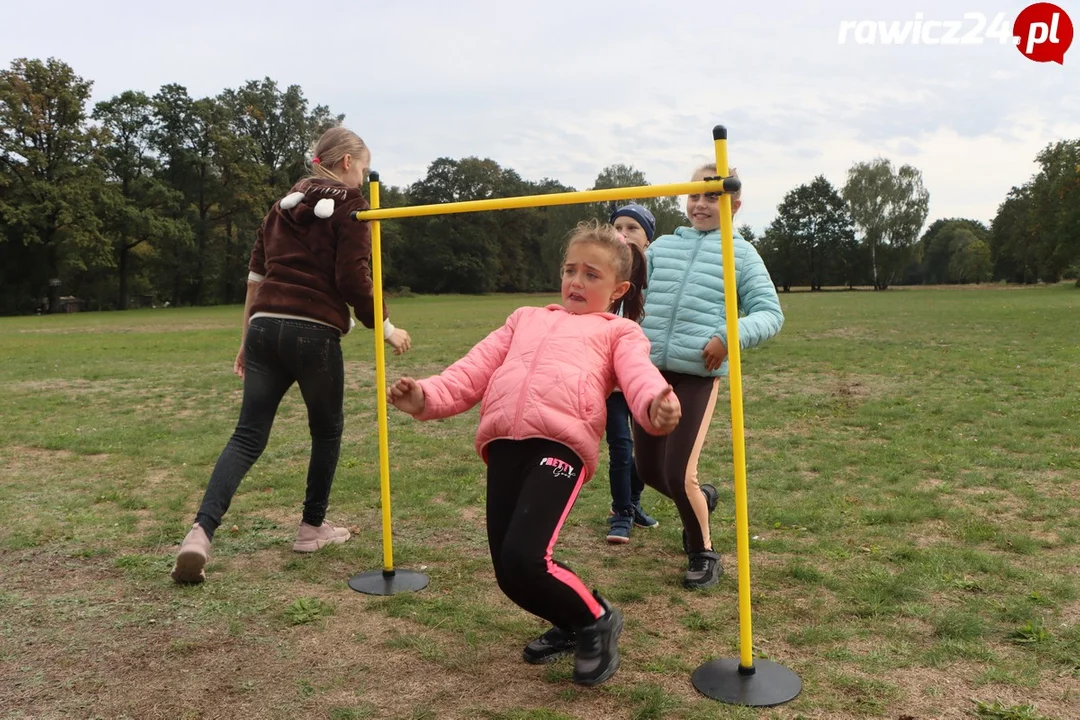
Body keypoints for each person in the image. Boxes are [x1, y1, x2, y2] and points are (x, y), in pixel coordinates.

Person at [387, 220, 681, 686]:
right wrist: (424, 396)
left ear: (619, 288)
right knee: (509, 571)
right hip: (505, 445)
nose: (576, 282)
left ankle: (595, 620)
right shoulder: (525, 317)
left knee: (526, 556)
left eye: (591, 274)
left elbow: (639, 375)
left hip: (560, 447)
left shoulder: (619, 332)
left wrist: (653, 404)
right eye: (570, 270)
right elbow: (471, 371)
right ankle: (568, 622)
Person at [171, 127, 412, 584]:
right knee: (326, 431)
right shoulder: (352, 206)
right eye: (361, 169)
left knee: (246, 436)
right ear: (344, 164)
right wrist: (385, 327)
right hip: (312, 333)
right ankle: (311, 527)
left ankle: (200, 533)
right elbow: (352, 278)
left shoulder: (278, 208)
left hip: (263, 328)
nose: (362, 179)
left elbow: (255, 278)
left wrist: (246, 337)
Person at [633, 165, 784, 589]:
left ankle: (703, 550)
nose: (700, 204)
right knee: (648, 472)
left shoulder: (742, 254)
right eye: (695, 195)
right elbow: (635, 295)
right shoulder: (662, 247)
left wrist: (726, 336)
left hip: (697, 375)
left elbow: (771, 314)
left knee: (680, 474)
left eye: (712, 197)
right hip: (650, 374)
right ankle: (702, 500)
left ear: (734, 204)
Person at [604, 203, 660, 544]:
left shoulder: (659, 280)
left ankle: (634, 502)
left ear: (648, 239)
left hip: (643, 381)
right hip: (611, 385)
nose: (622, 235)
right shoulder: (602, 277)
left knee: (647, 451)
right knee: (620, 448)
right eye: (617, 227)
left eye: (632, 229)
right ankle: (620, 511)